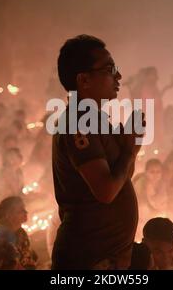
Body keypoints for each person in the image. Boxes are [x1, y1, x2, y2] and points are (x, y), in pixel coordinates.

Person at [51, 35, 142, 269]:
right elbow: (106, 192)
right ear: (84, 79)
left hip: (108, 257)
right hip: (89, 258)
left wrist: (129, 147)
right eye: (110, 69)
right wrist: (130, 151)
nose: (118, 76)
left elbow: (122, 179)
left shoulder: (97, 119)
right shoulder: (78, 121)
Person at [0, 196, 38, 269]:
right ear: (9, 215)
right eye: (20, 210)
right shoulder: (1, 234)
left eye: (24, 209)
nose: (26, 212)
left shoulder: (21, 232)